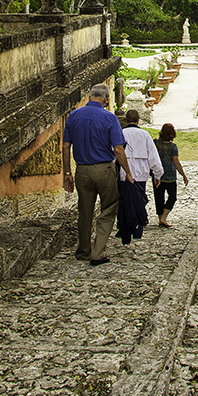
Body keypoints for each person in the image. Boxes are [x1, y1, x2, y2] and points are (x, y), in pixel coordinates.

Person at [62, 83, 135, 266]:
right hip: (104, 169)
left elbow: (65, 146)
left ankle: (83, 250)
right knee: (109, 208)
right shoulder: (109, 118)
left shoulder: (74, 116)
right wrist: (127, 171)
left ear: (89, 97)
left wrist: (67, 173)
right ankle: (98, 251)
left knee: (84, 211)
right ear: (105, 99)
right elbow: (118, 148)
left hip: (82, 170)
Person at [117, 109, 163, 244]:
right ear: (138, 120)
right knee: (139, 202)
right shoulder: (144, 135)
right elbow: (153, 157)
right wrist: (157, 174)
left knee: (125, 203)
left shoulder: (121, 134)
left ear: (126, 120)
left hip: (124, 175)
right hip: (140, 175)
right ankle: (137, 228)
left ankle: (125, 230)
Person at [153, 123, 189, 227]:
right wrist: (183, 175)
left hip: (158, 174)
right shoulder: (173, 147)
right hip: (170, 176)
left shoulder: (155, 143)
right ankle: (163, 217)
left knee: (158, 197)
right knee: (172, 197)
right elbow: (176, 162)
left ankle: (161, 217)